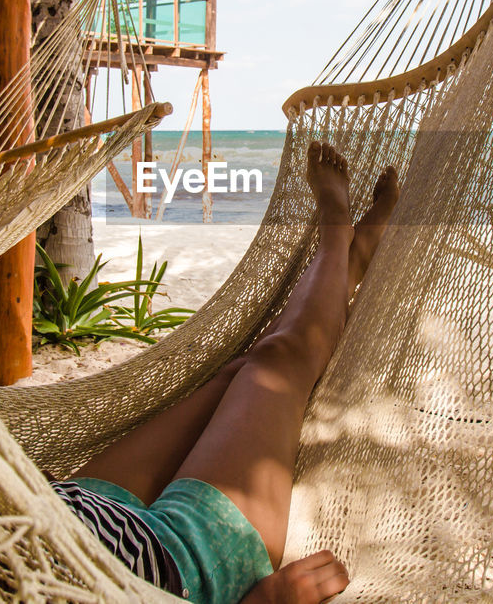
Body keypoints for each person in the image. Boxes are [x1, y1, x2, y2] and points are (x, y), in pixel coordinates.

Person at [49, 142, 400, 604]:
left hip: (72, 514)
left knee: (235, 373)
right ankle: (339, 240)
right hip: (174, 574)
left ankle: (345, 268)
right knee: (278, 361)